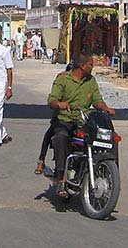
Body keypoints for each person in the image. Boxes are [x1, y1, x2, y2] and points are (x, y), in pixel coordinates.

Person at [47, 51, 115, 198]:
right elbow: (52, 100)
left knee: (108, 136)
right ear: (82, 66)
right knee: (61, 137)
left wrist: (106, 108)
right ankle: (61, 178)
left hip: (83, 121)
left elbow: (97, 101)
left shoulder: (91, 81)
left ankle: (108, 171)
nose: (93, 66)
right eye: (91, 64)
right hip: (64, 120)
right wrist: (60, 104)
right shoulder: (63, 79)